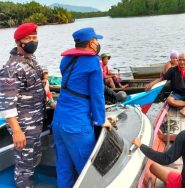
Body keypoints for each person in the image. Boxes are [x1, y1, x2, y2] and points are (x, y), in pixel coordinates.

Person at [52, 27, 112, 187]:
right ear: (92, 43)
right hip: (76, 124)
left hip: (58, 120)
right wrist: (100, 120)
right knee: (87, 170)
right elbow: (97, 94)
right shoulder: (93, 62)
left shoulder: (66, 60)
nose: (98, 43)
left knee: (64, 167)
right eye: (97, 40)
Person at [0, 23, 45, 188]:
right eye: (29, 38)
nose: (33, 41)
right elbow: (6, 103)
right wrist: (17, 131)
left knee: (33, 158)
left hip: (35, 119)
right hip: (23, 125)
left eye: (35, 37)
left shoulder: (30, 59)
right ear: (19, 42)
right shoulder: (11, 68)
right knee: (24, 165)